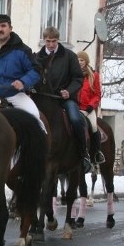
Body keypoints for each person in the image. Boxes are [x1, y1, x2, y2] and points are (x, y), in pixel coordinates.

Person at [34, 26, 89, 172]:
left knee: (76, 119)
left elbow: (78, 78)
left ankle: (83, 154)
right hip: (42, 99)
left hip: (64, 98)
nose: (51, 44)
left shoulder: (69, 56)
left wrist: (68, 91)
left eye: (54, 41)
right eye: (48, 41)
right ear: (44, 40)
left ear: (59, 40)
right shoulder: (37, 57)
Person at [0, 14, 42, 122]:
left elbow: (35, 71)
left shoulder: (23, 50)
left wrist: (23, 82)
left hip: (14, 95)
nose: (0, 29)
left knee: (34, 116)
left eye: (3, 26)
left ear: (10, 28)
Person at [77, 51, 106, 165]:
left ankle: (97, 152)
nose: (79, 63)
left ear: (86, 61)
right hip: (75, 108)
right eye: (78, 60)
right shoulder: (73, 74)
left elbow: (97, 94)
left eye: (82, 60)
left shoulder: (94, 75)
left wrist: (91, 106)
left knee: (94, 127)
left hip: (88, 109)